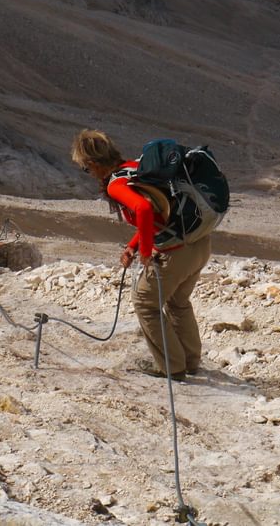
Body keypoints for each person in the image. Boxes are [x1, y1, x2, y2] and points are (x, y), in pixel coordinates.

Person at [71, 129, 210, 381]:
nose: (89, 174)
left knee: (146, 303)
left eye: (86, 169)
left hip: (176, 252)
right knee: (178, 301)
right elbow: (159, 214)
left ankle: (172, 368)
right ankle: (190, 361)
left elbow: (144, 209)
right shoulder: (136, 166)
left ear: (93, 164)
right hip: (199, 243)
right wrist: (134, 246)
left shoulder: (116, 183)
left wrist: (146, 252)